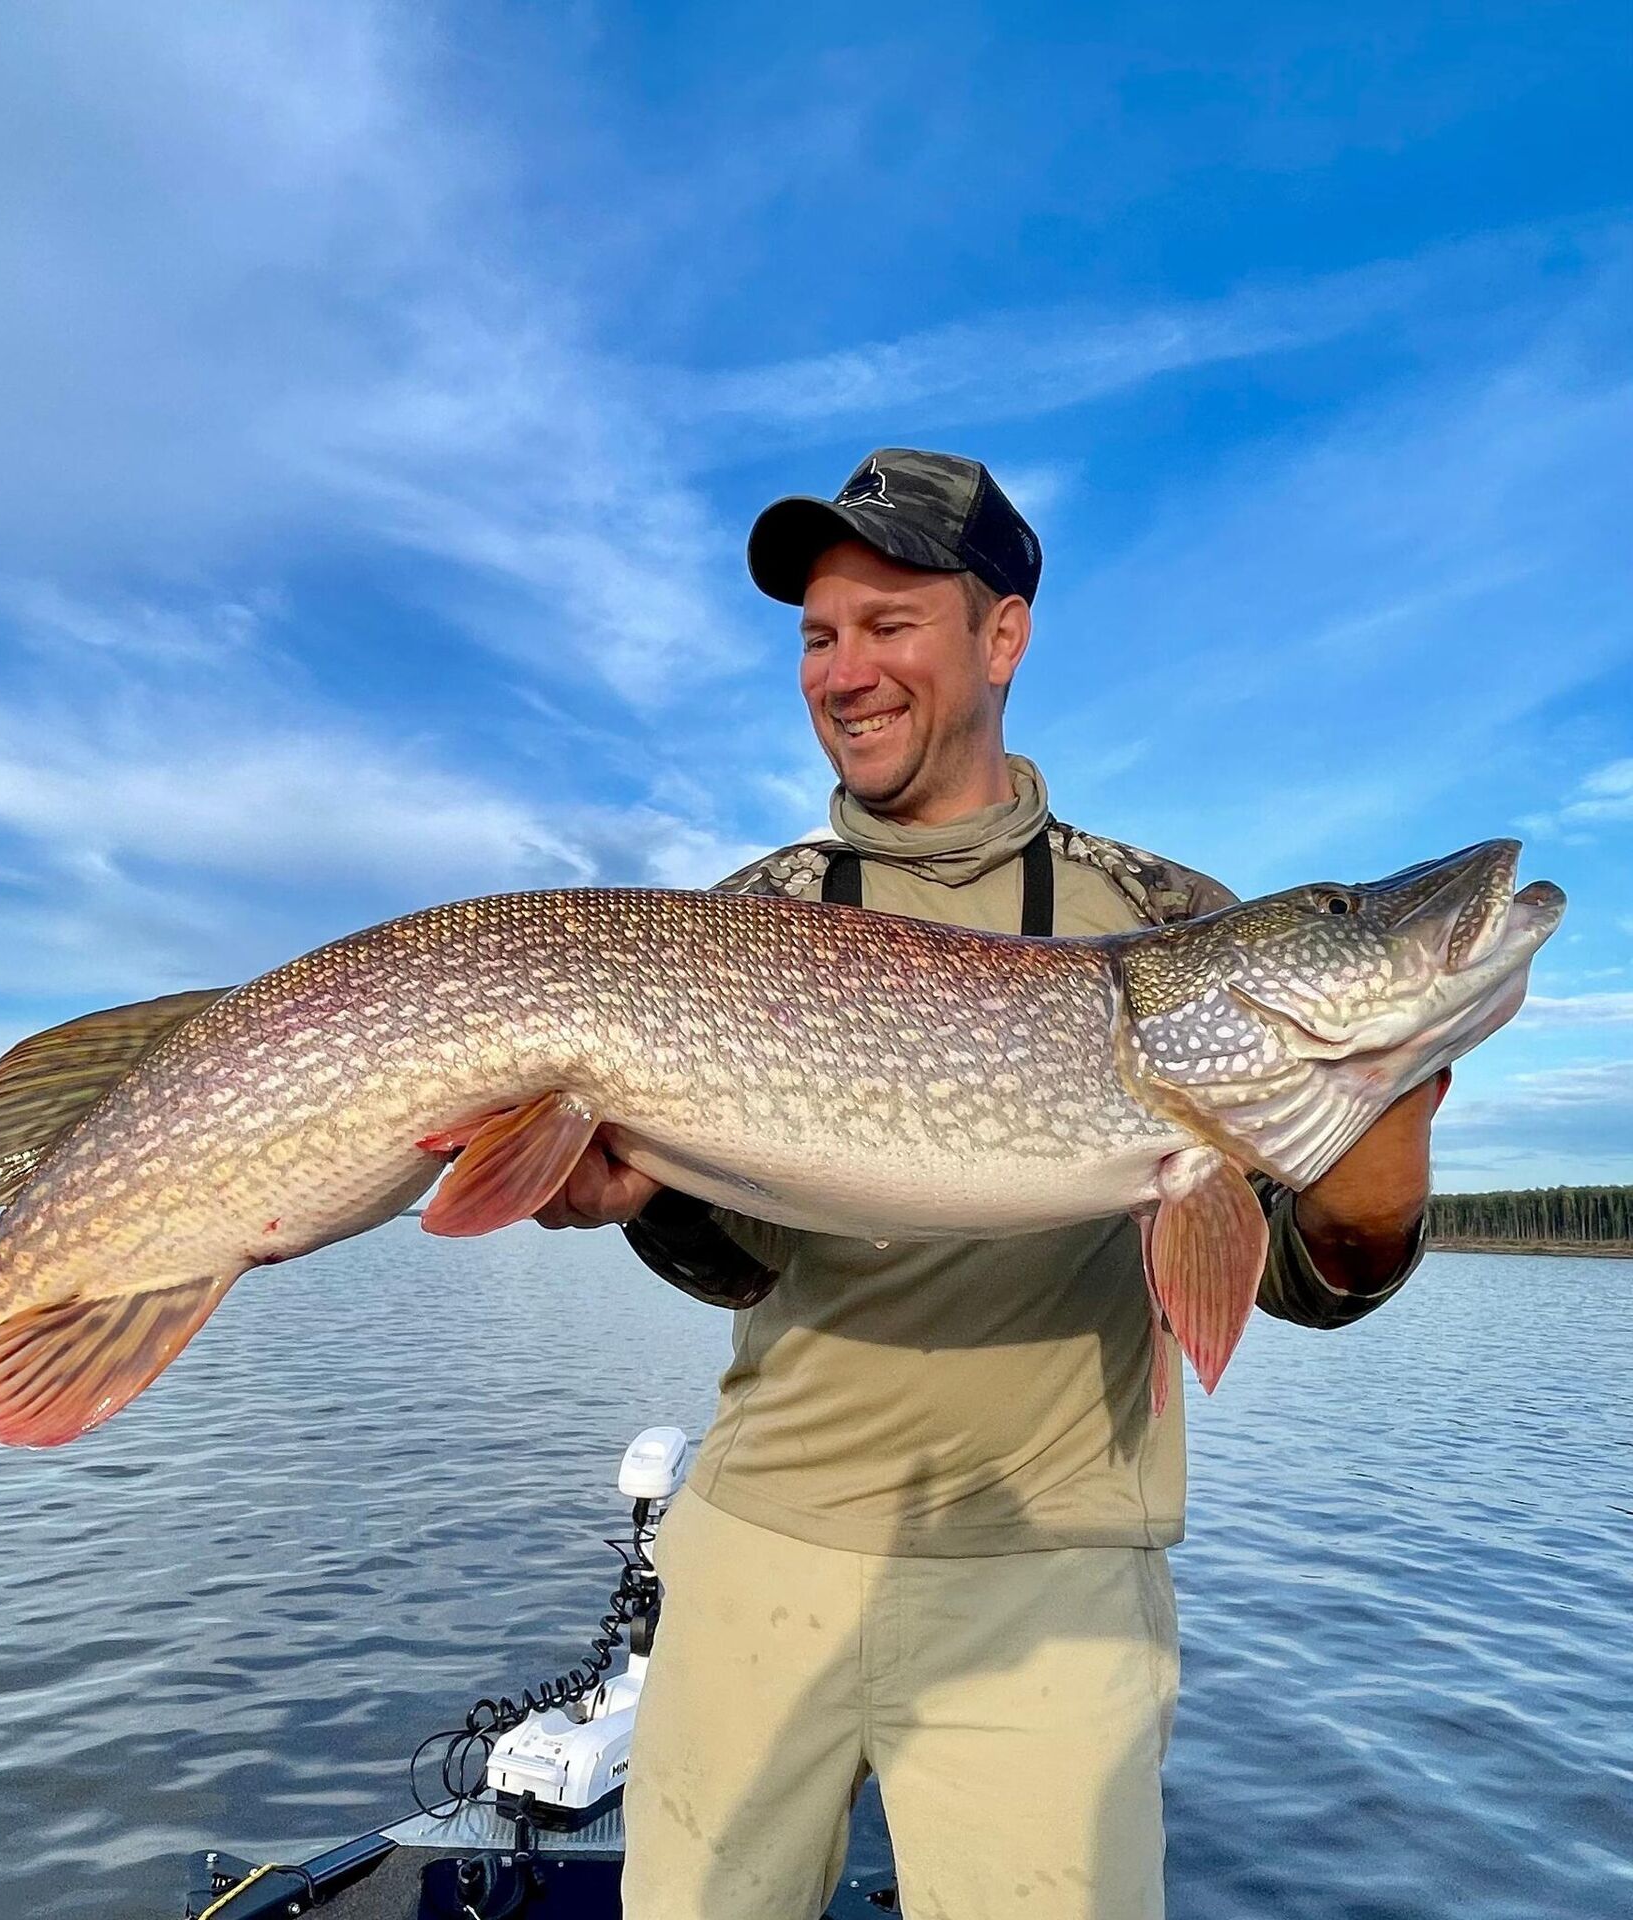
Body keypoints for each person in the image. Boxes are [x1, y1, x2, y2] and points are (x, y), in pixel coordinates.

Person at [537, 449, 1443, 1920]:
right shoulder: (741, 924)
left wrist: (1379, 1167)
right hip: (763, 1544)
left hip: (1054, 1579)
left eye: (890, 624)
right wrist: (635, 1197)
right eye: (821, 638)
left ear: (1002, 635)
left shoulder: (1161, 920)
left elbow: (1307, 1282)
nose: (846, 673)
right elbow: (742, 1256)